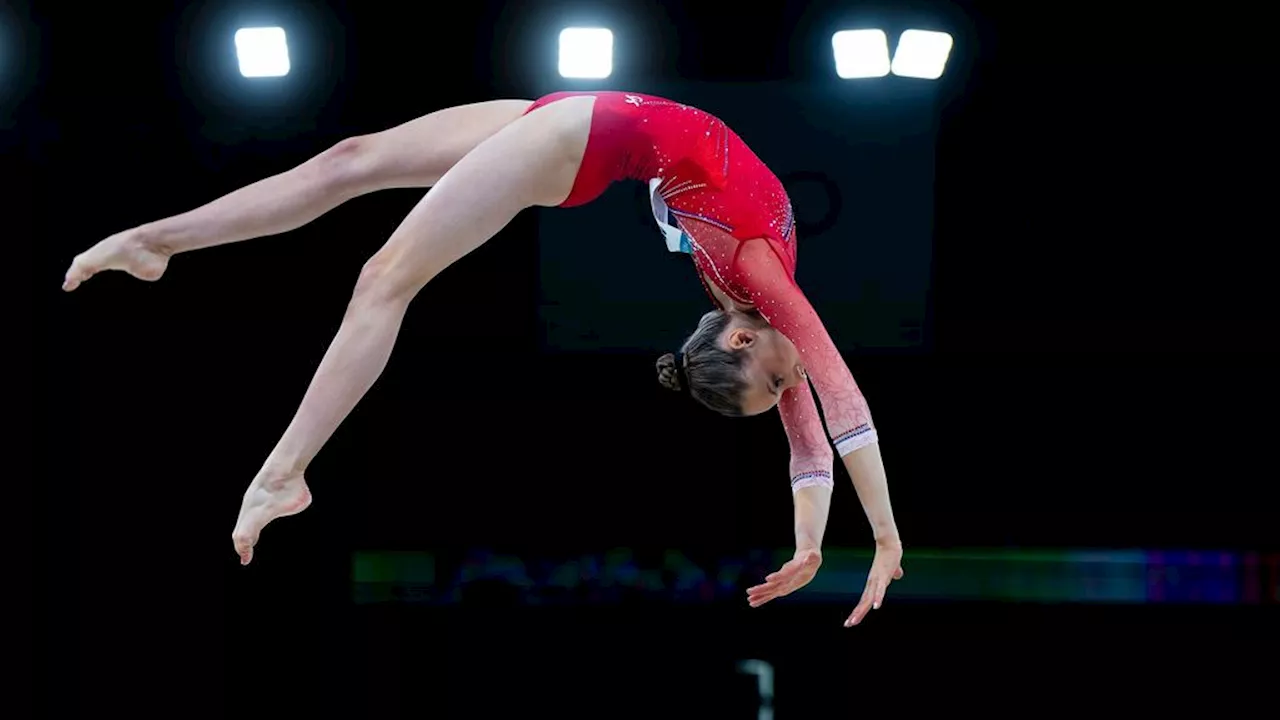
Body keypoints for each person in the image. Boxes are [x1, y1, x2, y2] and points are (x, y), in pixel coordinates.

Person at [62, 91, 904, 626]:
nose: (795, 384)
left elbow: (807, 428)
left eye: (778, 384)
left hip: (583, 140)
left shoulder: (749, 302)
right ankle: (154, 241)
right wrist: (878, 539)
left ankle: (283, 473)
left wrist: (812, 543)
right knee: (348, 160)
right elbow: (837, 397)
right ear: (742, 339)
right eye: (781, 381)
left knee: (383, 279)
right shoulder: (760, 275)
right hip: (577, 122)